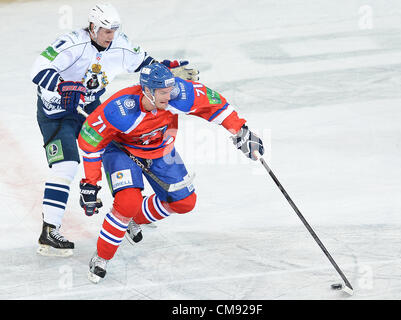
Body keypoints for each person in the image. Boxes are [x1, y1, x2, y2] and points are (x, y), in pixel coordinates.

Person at [31, 3, 198, 257]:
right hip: (56, 113)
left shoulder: (121, 45)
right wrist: (63, 86)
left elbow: (147, 64)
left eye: (114, 30)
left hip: (90, 107)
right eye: (106, 31)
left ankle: (126, 209)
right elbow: (39, 69)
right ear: (93, 27)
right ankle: (49, 230)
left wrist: (166, 69)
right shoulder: (72, 42)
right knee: (66, 166)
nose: (111, 36)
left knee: (118, 152)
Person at [77, 63, 264, 283]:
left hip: (161, 150)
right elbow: (90, 141)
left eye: (170, 90)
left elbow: (214, 104)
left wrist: (240, 130)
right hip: (123, 152)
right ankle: (102, 257)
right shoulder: (120, 109)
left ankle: (131, 219)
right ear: (147, 91)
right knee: (127, 202)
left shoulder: (179, 93)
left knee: (185, 202)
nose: (169, 95)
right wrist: (90, 183)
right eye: (163, 92)